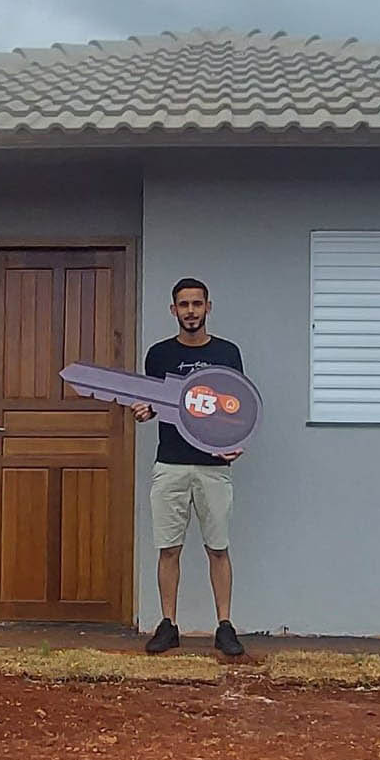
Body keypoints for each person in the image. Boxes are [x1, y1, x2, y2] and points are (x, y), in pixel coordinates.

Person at [132, 277, 246, 656]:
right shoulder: (159, 354)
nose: (191, 311)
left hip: (213, 466)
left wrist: (235, 444)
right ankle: (168, 625)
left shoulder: (227, 353)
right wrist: (143, 411)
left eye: (197, 304)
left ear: (208, 307)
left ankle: (225, 627)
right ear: (173, 310)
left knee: (218, 548)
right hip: (171, 463)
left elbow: (238, 406)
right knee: (169, 548)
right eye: (184, 304)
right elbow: (150, 404)